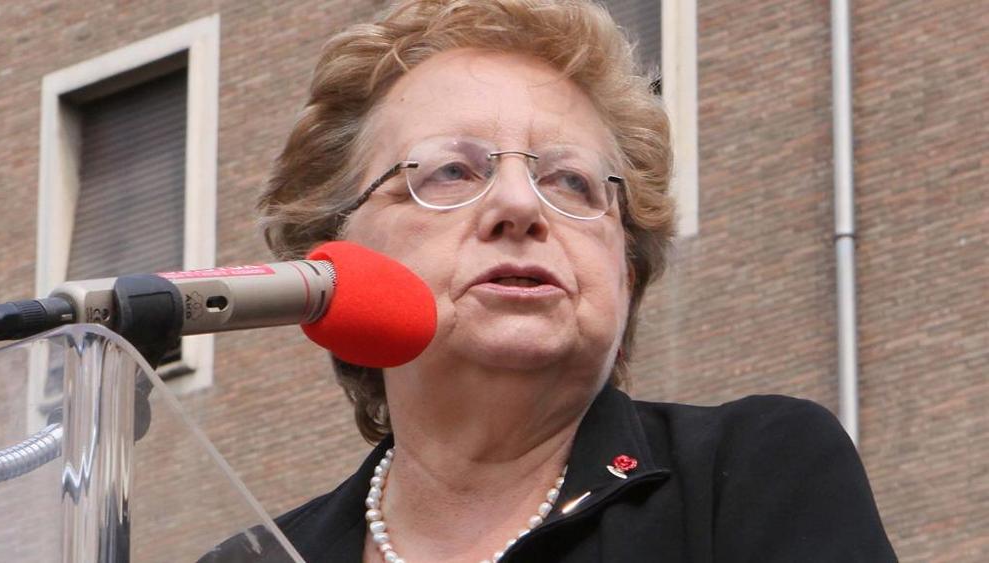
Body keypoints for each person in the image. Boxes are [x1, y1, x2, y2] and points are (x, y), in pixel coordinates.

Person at [244, 0, 897, 561]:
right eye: (451, 171)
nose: (519, 206)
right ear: (332, 253)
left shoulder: (753, 469)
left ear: (626, 269)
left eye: (570, 181)